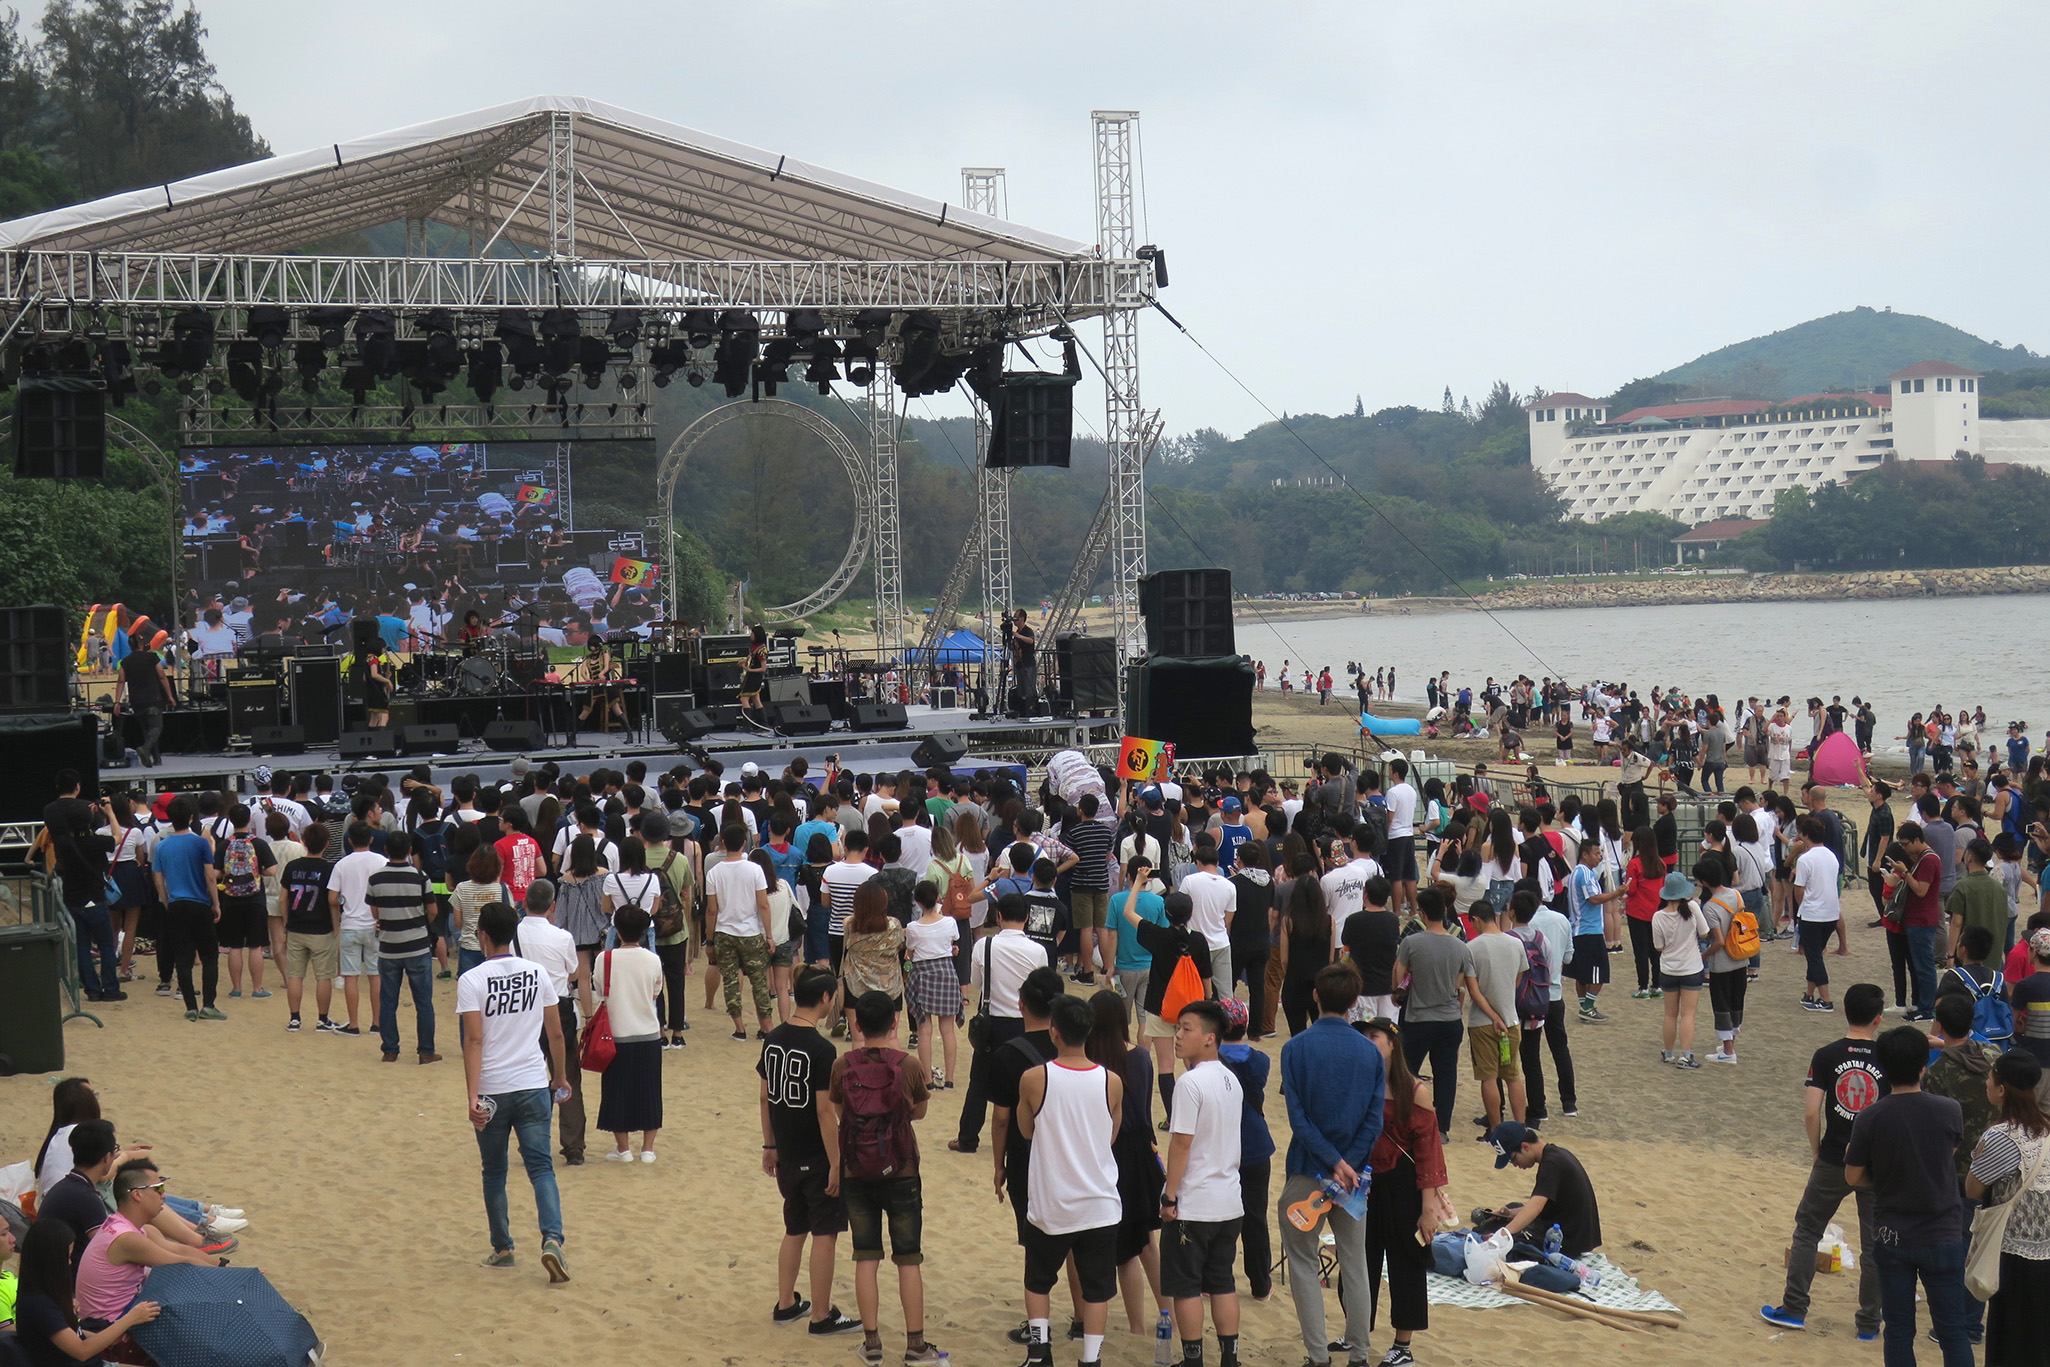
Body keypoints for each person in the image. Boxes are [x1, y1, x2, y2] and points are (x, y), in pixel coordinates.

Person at [1844, 1025, 1973, 1367]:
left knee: (1899, 1330)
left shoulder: (1870, 1117)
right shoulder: (1949, 1110)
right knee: (1953, 1331)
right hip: (1942, 1231)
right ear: (1923, 1067)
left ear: (1883, 1069)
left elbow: (1853, 1175)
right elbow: (1948, 1151)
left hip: (1893, 1234)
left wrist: (1883, 1172)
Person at [1762, 981, 1887, 1335]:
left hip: (1835, 1154)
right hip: (1876, 1161)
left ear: (1845, 1011)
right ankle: (1868, 1322)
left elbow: (1811, 1112)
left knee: (1808, 1230)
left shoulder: (1827, 1054)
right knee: (1874, 1244)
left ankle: (1795, 1307)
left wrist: (1817, 1150)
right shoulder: (1886, 1056)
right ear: (1878, 1020)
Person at [1276, 964, 1385, 1367]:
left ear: (1316, 997)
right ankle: (1359, 1354)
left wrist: (1334, 1162)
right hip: (1354, 1176)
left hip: (1310, 1167)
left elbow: (1298, 1118)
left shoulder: (1296, 1047)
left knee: (1303, 1263)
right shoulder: (1370, 1051)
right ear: (1355, 1002)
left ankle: (1319, 1356)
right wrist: (1348, 1164)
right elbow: (1374, 1119)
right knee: (1355, 1265)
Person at [458, 901, 570, 1282]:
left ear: (483, 936)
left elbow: (473, 1040)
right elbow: (555, 1032)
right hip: (532, 1081)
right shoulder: (537, 973)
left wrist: (472, 1096)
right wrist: (560, 1077)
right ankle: (552, 1239)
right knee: (542, 1167)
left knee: (494, 1171)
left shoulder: (472, 980)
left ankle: (503, 1246)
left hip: (492, 1087)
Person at [830, 990, 944, 1364]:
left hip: (856, 1169)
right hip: (902, 1168)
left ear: (857, 1024)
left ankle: (872, 1341)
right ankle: (915, 1344)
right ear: (895, 1021)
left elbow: (838, 1110)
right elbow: (921, 1111)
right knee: (908, 1258)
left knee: (866, 1256)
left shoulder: (843, 1065)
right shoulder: (907, 1065)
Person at [1014, 993, 1125, 1367]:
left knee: (1038, 1281)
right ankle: (1090, 1360)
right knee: (1096, 1291)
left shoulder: (1034, 1078)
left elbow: (1026, 1130)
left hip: (1052, 1202)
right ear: (1089, 1030)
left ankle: (1040, 1351)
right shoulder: (1112, 1081)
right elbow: (1111, 1134)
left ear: (1054, 1031)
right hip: (1099, 1201)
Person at [761, 966, 862, 1334]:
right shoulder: (822, 1048)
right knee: (825, 1232)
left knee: (794, 1227)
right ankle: (821, 1313)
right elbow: (823, 1111)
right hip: (815, 1154)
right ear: (824, 999)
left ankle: (786, 1302)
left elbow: (765, 1097)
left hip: (786, 1149)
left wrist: (769, 1144)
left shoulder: (773, 1038)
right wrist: (836, 1163)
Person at [1360, 1019, 1450, 1367]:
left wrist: (1428, 1206)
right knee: (1360, 1259)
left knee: (1406, 1262)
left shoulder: (1415, 1090)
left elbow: (1428, 1151)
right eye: (1364, 1037)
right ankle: (1357, 1330)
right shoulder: (1363, 1083)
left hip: (1403, 1183)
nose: (1368, 1042)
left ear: (1392, 1044)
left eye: (1375, 1036)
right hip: (1366, 1182)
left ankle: (1403, 1345)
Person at [1160, 999, 1244, 1367]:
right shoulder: (1232, 1079)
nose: (1177, 1036)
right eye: (1178, 1028)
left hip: (1194, 1203)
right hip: (1229, 1201)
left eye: (1186, 1029)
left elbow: (1181, 1143)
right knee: (1222, 1281)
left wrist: (1169, 1194)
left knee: (1186, 1286)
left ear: (1210, 1038)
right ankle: (1230, 1357)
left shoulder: (1190, 1083)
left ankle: (1193, 1359)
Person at [1964, 1049, 2050, 1367]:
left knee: (2010, 1341)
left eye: (1990, 1078)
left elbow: (1973, 1189)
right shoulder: (2046, 1128)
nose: (1986, 1083)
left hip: (2013, 1254)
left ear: (2001, 1089)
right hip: (2046, 1249)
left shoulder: (2001, 1136)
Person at [952, 895, 1054, 1155]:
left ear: (998, 916)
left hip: (992, 1022)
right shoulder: (1037, 950)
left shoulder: (983, 945)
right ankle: (1022, 1138)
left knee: (979, 1082)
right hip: (1025, 1024)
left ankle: (967, 1138)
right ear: (1027, 918)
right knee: (1025, 1081)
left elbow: (976, 982)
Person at [13, 1219, 161, 1364]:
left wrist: (109, 1336)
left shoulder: (44, 1296)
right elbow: (82, 1351)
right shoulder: (39, 1305)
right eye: (67, 1256)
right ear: (51, 1259)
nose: (70, 1262)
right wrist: (131, 1318)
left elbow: (77, 1336)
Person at [1127, 892, 1214, 1121]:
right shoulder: (1198, 940)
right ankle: (1199, 1113)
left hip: (1160, 1006)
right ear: (1190, 914)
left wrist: (1138, 883)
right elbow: (1207, 979)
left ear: (1166, 914)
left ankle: (1172, 1118)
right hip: (1191, 1008)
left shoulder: (1158, 936)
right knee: (1193, 1062)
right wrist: (1208, 1002)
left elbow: (1129, 913)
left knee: (1165, 1065)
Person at [1395, 889, 1472, 1139]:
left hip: (1419, 1017)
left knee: (1406, 1072)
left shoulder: (1411, 942)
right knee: (1446, 1073)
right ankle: (1442, 1128)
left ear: (1423, 914)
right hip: (1449, 1018)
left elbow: (1399, 976)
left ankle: (1405, 1120)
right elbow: (1461, 982)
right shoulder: (1460, 945)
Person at [593, 903, 666, 1162]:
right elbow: (656, 992)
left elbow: (600, 989)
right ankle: (648, 1148)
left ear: (618, 930)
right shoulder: (653, 959)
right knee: (650, 1091)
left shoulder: (605, 958)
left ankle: (623, 1149)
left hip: (616, 1033)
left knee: (616, 1091)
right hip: (647, 1032)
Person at [1213, 997, 1273, 1303]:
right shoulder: (1260, 1060)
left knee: (1216, 1217)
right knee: (1255, 1218)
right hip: (1254, 1144)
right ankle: (1260, 1284)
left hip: (1221, 1146)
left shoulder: (1208, 1062)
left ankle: (1213, 1280)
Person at [150, 797, 224, 1021]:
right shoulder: (200, 843)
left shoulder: (162, 845)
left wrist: (166, 902)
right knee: (210, 955)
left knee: (183, 957)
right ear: (192, 817)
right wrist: (216, 903)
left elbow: (158, 880)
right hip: (199, 903)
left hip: (175, 904)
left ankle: (190, 1006)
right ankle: (209, 1004)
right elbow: (210, 877)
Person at [368, 829, 438, 1064]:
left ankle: (390, 1049)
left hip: (388, 946)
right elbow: (433, 911)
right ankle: (426, 1051)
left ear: (386, 850)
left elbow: (375, 911)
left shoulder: (375, 878)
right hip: (417, 946)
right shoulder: (420, 877)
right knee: (423, 1001)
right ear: (409, 851)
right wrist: (419, 924)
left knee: (388, 1000)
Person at [1485, 1121, 1603, 1258]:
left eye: (1513, 1159)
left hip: (1565, 1241)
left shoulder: (1551, 1165)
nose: (1515, 1165)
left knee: (1502, 1243)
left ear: (1525, 1147)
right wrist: (1509, 1213)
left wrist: (1503, 1234)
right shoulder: (1556, 1154)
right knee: (1512, 1210)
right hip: (1573, 1231)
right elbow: (1545, 1206)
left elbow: (1536, 1206)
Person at [1509, 887, 1576, 1123]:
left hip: (1525, 1001)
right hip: (1553, 995)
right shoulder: (1560, 921)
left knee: (1530, 1056)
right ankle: (1569, 1102)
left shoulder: (1514, 935)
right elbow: (1567, 957)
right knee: (1560, 1049)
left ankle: (1538, 1107)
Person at [705, 822, 775, 1041]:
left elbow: (711, 909)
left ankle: (739, 1028)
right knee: (759, 982)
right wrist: (769, 934)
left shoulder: (714, 872)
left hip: (724, 933)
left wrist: (709, 941)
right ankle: (767, 1026)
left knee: (731, 981)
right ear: (745, 842)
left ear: (722, 842)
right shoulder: (755, 869)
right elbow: (763, 904)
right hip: (751, 932)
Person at [327, 820, 388, 1036]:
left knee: (351, 976)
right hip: (375, 925)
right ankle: (377, 1023)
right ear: (371, 839)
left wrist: (345, 902)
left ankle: (353, 1024)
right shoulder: (381, 861)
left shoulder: (342, 864)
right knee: (375, 975)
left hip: (350, 925)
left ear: (350, 840)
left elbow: (332, 898)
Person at [904, 879, 961, 1089]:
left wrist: (908, 958)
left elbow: (910, 954)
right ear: (938, 897)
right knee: (948, 1029)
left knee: (924, 1029)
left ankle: (927, 1079)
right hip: (946, 973)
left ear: (918, 902)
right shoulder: (950, 922)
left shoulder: (912, 928)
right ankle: (950, 1078)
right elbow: (952, 943)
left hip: (922, 974)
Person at [1694, 859, 1751, 1063]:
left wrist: (1705, 954)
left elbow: (1718, 940)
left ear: (1704, 881)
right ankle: (1730, 1044)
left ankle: (1728, 1052)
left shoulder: (1710, 907)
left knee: (1722, 1004)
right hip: (1741, 956)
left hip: (1723, 962)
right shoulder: (1736, 894)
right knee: (1737, 1002)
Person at [1567, 836, 1626, 1023]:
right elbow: (1593, 898)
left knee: (1582, 974)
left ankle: (1585, 1006)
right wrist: (1617, 893)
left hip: (1579, 930)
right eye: (1596, 853)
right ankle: (1587, 1008)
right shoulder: (1584, 873)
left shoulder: (1577, 872)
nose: (1599, 857)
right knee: (1598, 972)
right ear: (1585, 854)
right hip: (1588, 930)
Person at [1650, 869, 1705, 1068]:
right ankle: (1686, 1055)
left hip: (1668, 969)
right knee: (1688, 1014)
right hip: (1691, 968)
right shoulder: (1692, 908)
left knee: (1669, 1014)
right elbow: (1705, 932)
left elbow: (1658, 946)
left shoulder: (1658, 916)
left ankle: (1669, 1053)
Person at [1793, 815, 1847, 1012]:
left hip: (1813, 914)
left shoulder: (1805, 859)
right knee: (1814, 955)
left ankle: (1826, 999)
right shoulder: (1831, 855)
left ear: (1805, 835)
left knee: (1814, 957)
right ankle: (1809, 993)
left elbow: (1799, 889)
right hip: (1831, 913)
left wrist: (1803, 906)